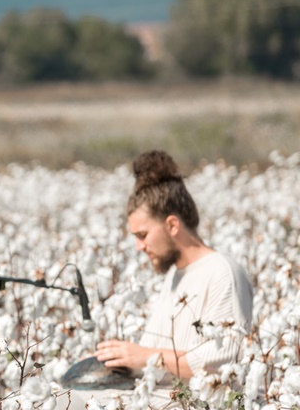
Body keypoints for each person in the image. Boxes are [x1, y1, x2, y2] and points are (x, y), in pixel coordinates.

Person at [94, 149, 253, 384]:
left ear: (172, 225)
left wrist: (146, 356)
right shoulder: (174, 275)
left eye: (143, 235)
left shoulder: (222, 272)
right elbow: (153, 355)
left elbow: (225, 359)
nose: (139, 246)